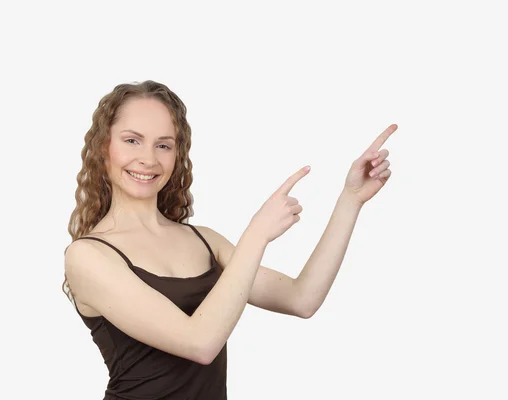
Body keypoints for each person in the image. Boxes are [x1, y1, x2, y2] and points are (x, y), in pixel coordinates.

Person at [62, 80, 396, 399]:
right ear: (103, 147)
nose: (149, 158)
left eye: (163, 144)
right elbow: (200, 343)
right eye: (132, 140)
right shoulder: (87, 257)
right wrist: (257, 234)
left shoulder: (204, 241)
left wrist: (351, 199)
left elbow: (301, 298)